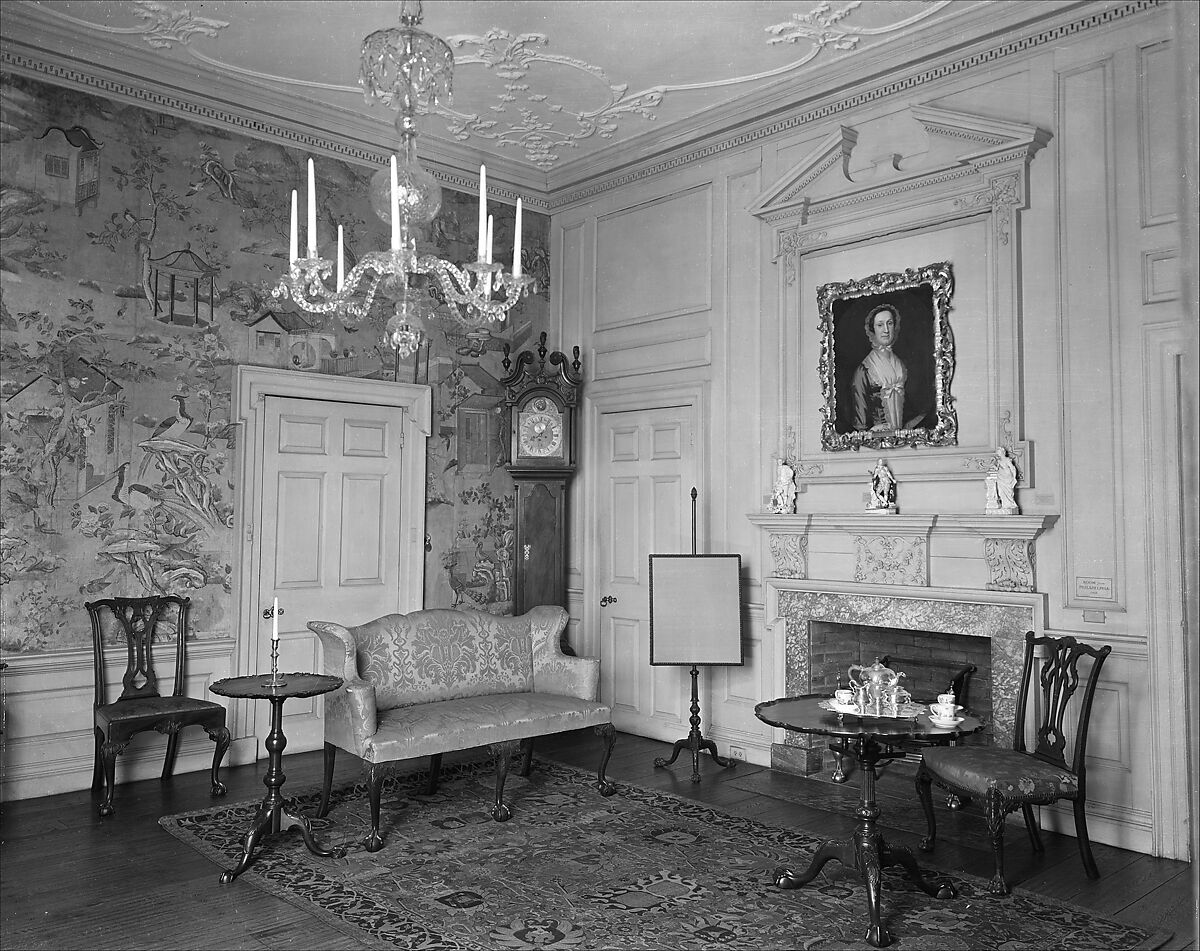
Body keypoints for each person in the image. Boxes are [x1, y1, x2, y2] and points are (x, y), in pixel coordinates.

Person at [851, 304, 924, 432]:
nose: (886, 330)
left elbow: (910, 408)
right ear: (872, 329)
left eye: (889, 323)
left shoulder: (901, 365)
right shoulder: (864, 370)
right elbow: (860, 422)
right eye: (880, 325)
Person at [984, 446, 1019, 514]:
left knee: (1008, 492)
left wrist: (1014, 477)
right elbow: (998, 468)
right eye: (997, 452)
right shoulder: (999, 461)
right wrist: (994, 467)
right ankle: (1005, 505)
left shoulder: (1007, 459)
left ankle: (1009, 504)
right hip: (1000, 477)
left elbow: (1012, 468)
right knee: (1001, 492)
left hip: (1007, 477)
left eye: (999, 452)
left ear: (1002, 452)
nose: (998, 453)